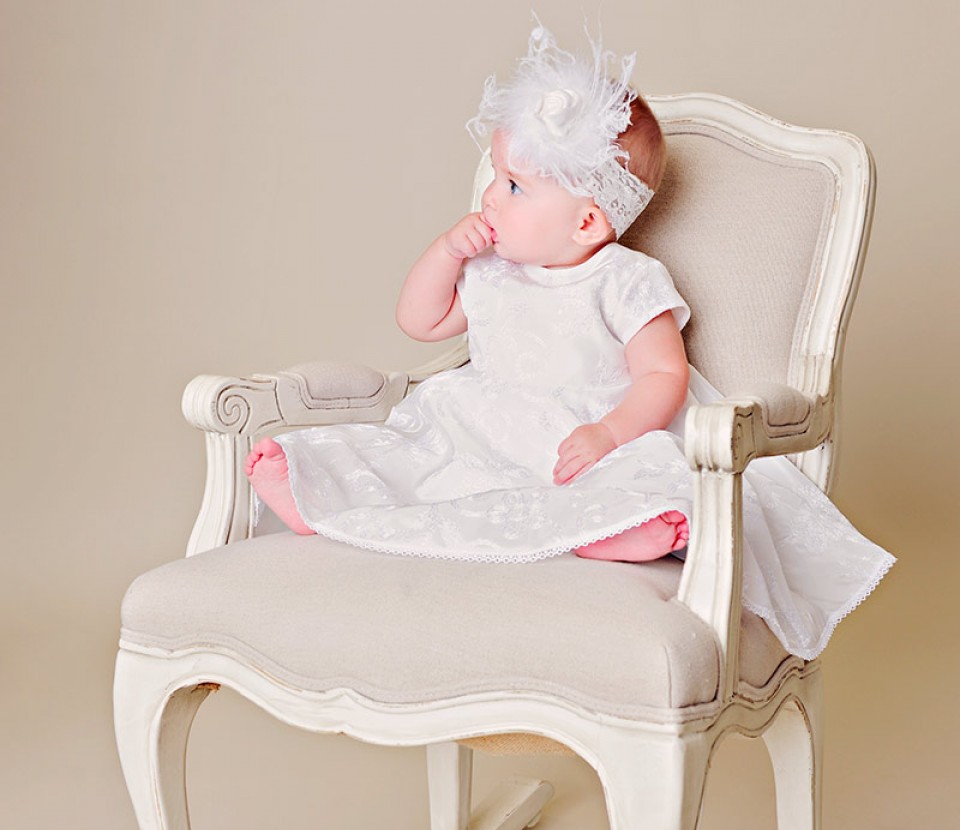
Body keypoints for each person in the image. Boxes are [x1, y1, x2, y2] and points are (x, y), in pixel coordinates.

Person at [245, 24, 893, 660]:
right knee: (410, 452)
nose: (490, 199)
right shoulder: (490, 270)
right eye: (497, 176)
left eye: (514, 187)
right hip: (484, 428)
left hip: (584, 437)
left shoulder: (625, 279)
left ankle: (626, 530)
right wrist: (446, 252)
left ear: (587, 222)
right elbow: (420, 321)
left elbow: (663, 375)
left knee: (647, 475)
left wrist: (610, 433)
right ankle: (320, 493)